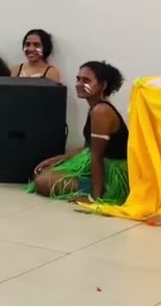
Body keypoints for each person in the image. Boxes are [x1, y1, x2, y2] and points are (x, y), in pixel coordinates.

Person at [30, 61, 130, 204]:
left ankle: (100, 192)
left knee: (43, 182)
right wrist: (57, 159)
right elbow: (88, 149)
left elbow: (97, 157)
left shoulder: (101, 111)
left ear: (103, 85)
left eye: (86, 80)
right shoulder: (95, 108)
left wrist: (94, 198)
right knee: (42, 172)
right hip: (101, 166)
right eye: (78, 79)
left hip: (112, 175)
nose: (79, 84)